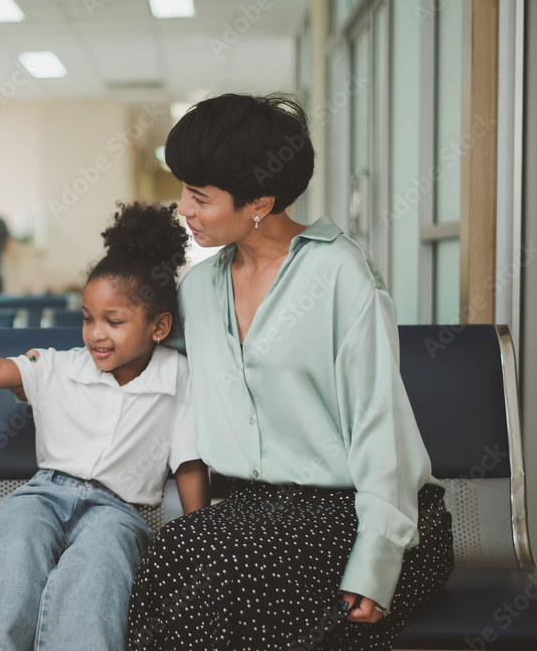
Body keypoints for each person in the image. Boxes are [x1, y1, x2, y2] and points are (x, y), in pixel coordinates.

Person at [125, 94, 454, 650]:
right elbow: (137, 350)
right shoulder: (200, 289)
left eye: (200, 198)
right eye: (184, 191)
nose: (184, 209)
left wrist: (374, 562)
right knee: (169, 556)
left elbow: (381, 429)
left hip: (361, 516)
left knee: (213, 575)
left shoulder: (340, 273)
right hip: (257, 515)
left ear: (260, 201)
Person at [0, 203, 208, 651]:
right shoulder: (61, 366)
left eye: (115, 321)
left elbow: (188, 462)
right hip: (44, 493)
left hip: (118, 509)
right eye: (87, 318)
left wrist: (198, 538)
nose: (95, 333)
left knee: (102, 564)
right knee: (18, 547)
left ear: (160, 326)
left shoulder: (178, 377)